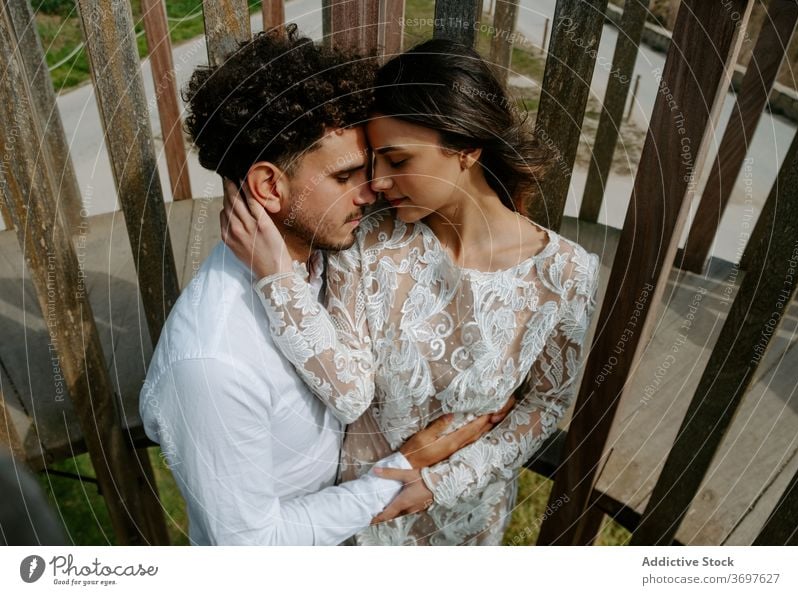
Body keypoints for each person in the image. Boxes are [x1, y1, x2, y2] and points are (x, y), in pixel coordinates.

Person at [139, 26, 511, 546]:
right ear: (269, 186)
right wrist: (397, 475)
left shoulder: (331, 260)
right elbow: (251, 547)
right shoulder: (212, 362)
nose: (373, 191)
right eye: (345, 178)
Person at [221, 37, 602, 545]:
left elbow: (545, 405)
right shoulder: (371, 239)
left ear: (466, 148)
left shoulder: (567, 274)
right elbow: (349, 391)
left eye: (397, 161)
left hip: (468, 515)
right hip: (361, 507)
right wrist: (277, 279)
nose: (376, 182)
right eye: (374, 160)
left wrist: (440, 483)